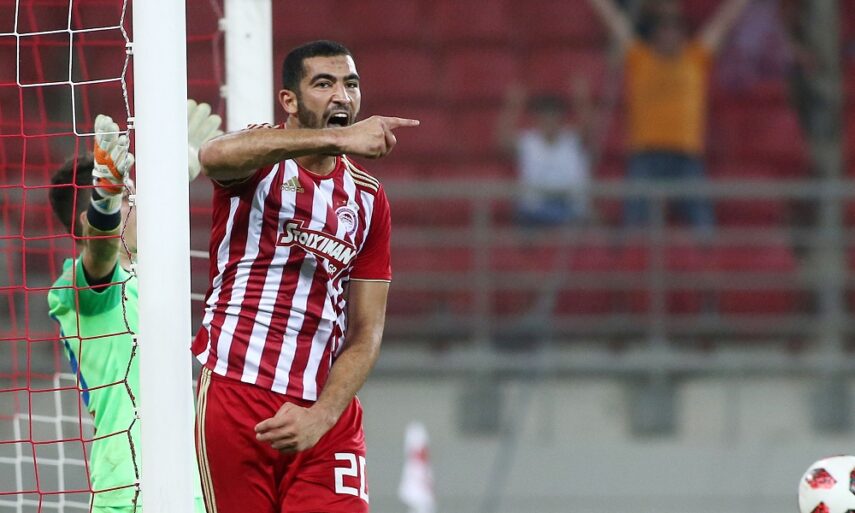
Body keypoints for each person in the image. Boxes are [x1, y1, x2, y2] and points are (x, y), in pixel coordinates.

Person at [191, 40, 418, 513]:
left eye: (351, 84)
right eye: (324, 84)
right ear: (289, 101)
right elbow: (213, 157)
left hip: (325, 411)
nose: (342, 96)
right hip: (237, 394)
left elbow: (367, 331)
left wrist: (322, 416)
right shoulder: (261, 158)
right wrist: (337, 141)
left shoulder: (368, 197)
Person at [47, 100, 222, 513]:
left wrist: (178, 170)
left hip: (195, 491)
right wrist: (106, 199)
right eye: (128, 196)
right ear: (89, 218)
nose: (139, 202)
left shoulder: (156, 278)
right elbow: (100, 254)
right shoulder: (74, 288)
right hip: (128, 494)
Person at [587, 0, 751, 231]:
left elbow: (723, 22)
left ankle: (707, 252)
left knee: (702, 222)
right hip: (646, 153)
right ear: (654, 37)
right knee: (634, 220)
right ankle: (631, 250)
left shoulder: (695, 58)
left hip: (686, 154)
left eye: (674, 32)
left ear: (682, 36)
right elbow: (613, 21)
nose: (669, 37)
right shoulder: (639, 58)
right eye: (664, 32)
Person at [496, 77, 594, 226]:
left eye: (553, 116)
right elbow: (502, 141)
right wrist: (513, 106)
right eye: (545, 116)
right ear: (536, 118)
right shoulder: (528, 141)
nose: (549, 121)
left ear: (561, 118)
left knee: (589, 219)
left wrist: (581, 100)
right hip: (536, 211)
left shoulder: (572, 139)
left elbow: (589, 129)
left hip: (569, 207)